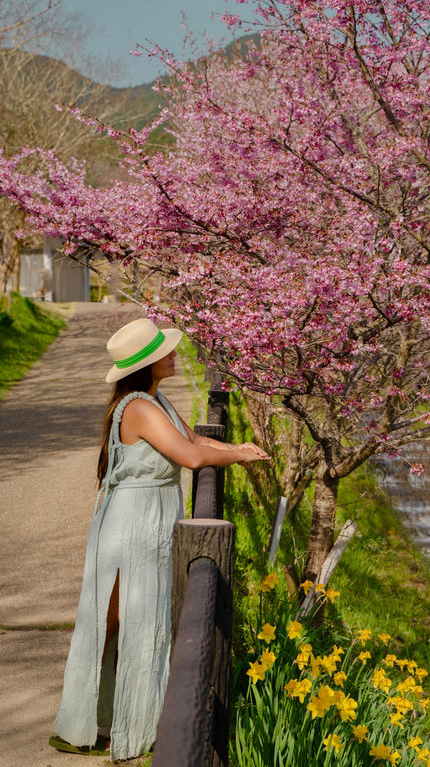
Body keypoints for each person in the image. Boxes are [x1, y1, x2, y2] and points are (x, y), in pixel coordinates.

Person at [48, 317, 268, 760]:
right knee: (116, 624)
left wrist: (237, 452)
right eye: (163, 352)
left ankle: (119, 722)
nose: (172, 354)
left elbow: (192, 438)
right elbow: (189, 456)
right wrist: (232, 457)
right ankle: (90, 725)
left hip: (147, 519)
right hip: (130, 524)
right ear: (145, 364)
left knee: (140, 620)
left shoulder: (156, 399)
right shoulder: (140, 407)